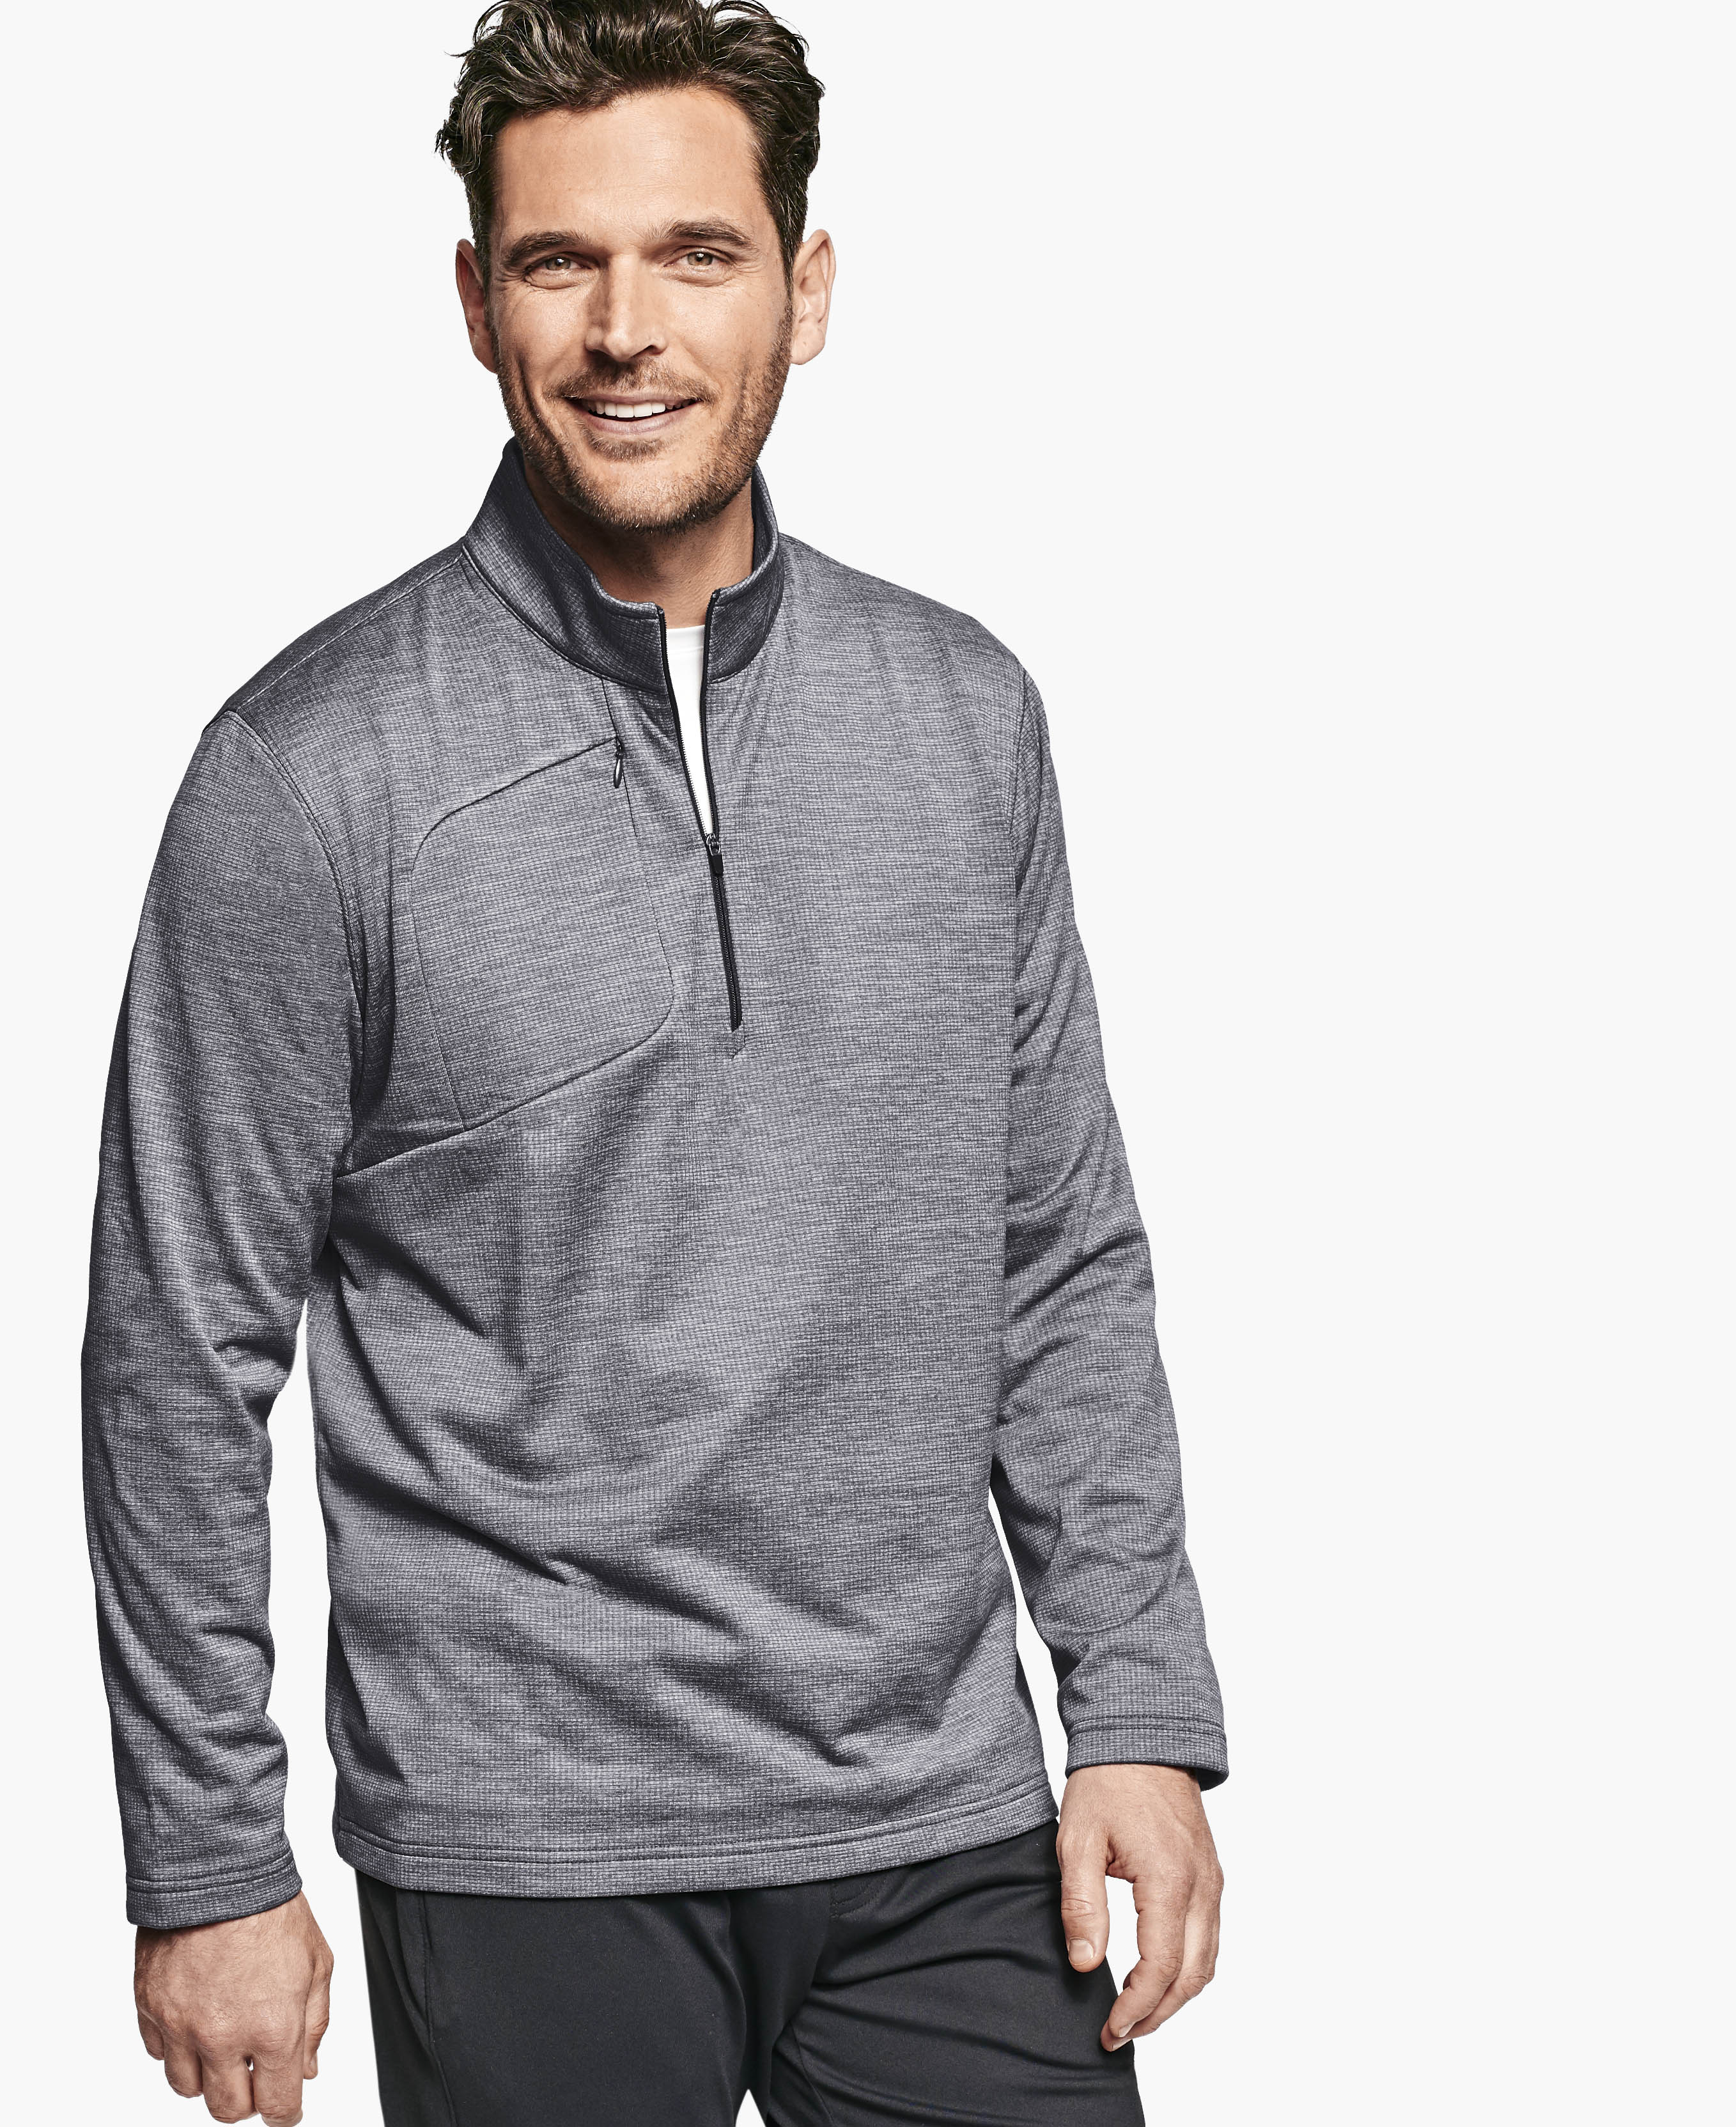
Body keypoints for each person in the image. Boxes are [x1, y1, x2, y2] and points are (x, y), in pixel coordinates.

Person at [81, 4, 1228, 2121]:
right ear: (476, 302)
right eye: (559, 262)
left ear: (805, 286)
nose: (626, 330)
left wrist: (1137, 1708)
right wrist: (207, 1858)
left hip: (943, 1815)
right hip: (526, 1847)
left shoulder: (963, 713)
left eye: (697, 255)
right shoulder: (308, 770)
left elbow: (1054, 1249)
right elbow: (176, 1348)